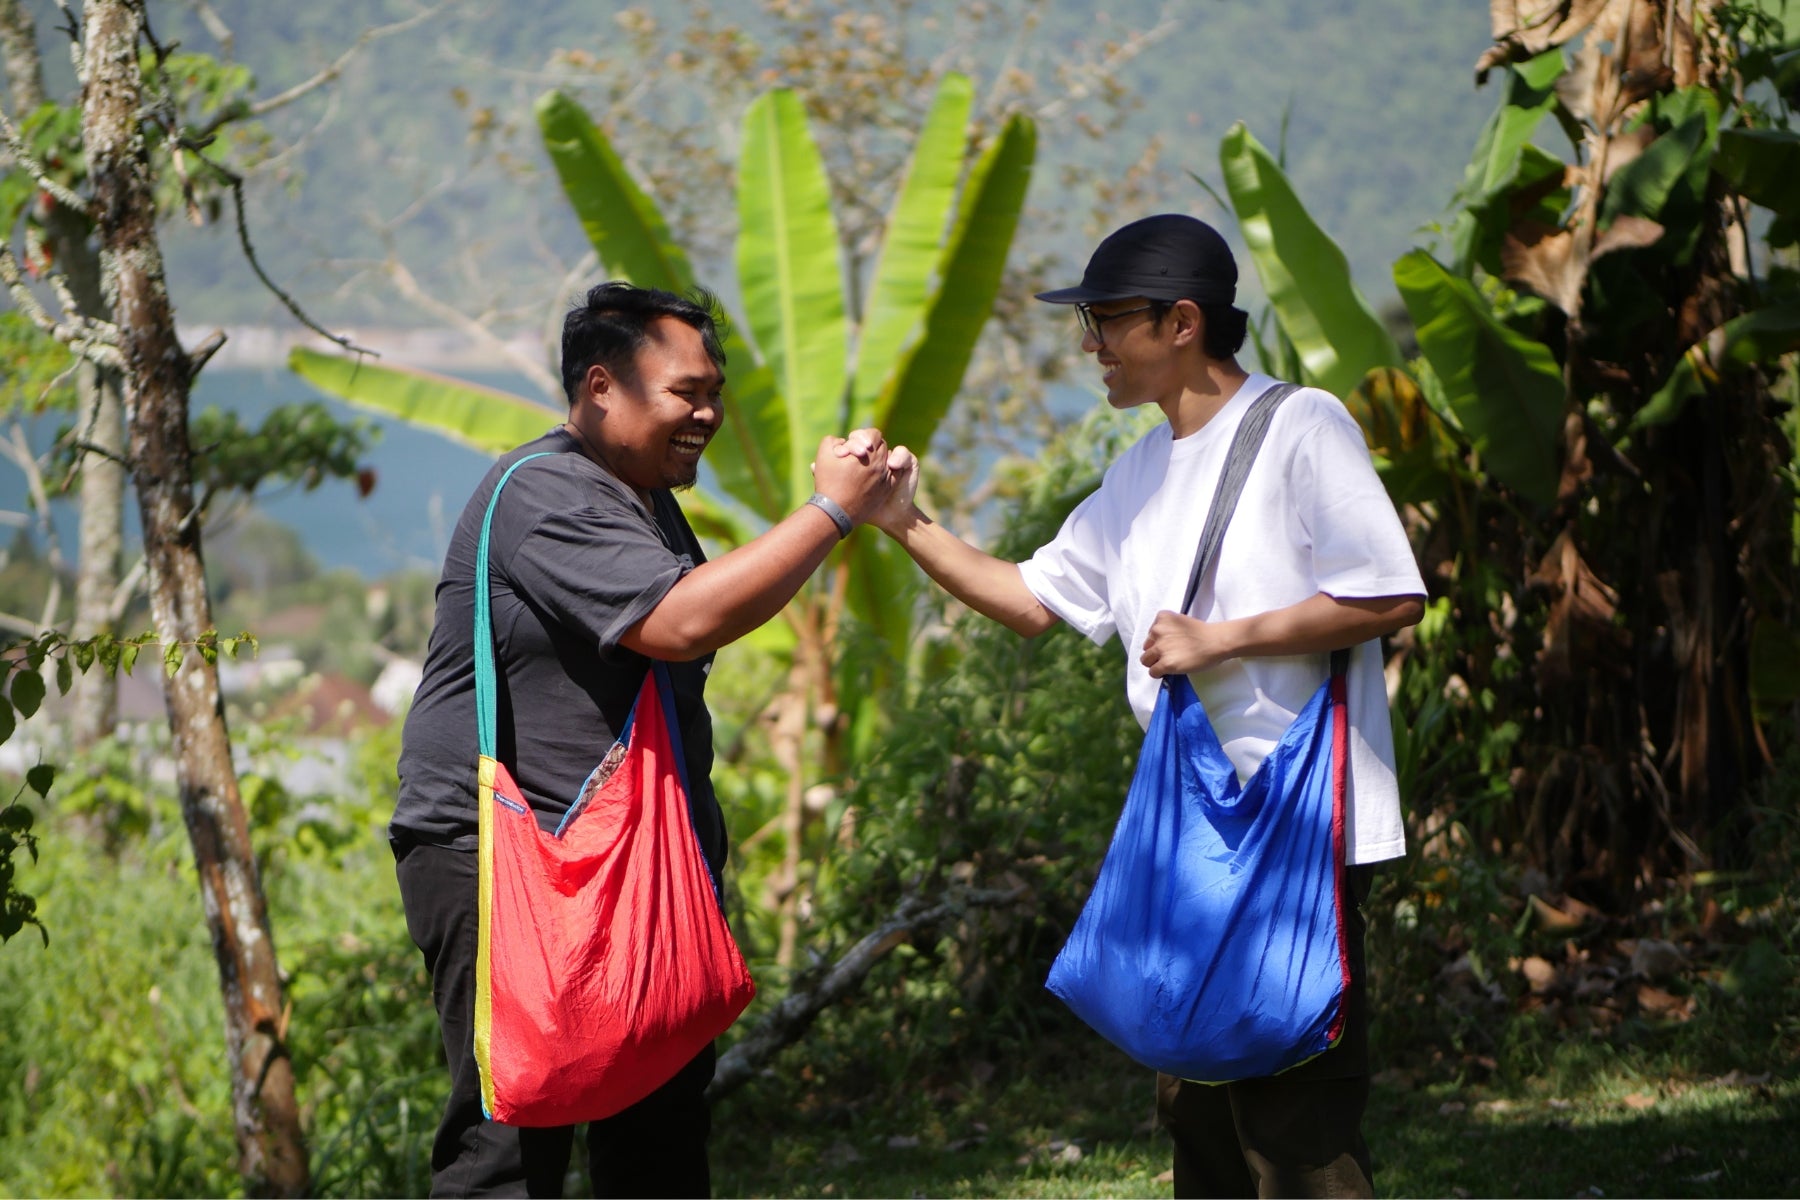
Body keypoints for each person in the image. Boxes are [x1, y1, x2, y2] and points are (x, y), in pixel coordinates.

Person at [865, 214, 1426, 1198]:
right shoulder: (1138, 473)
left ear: (1182, 322)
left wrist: (1223, 639)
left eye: (1107, 321)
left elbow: (1389, 595)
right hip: (1190, 828)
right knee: (1197, 1105)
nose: (1091, 344)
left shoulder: (1301, 426)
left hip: (1297, 822)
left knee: (1293, 1117)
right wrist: (898, 519)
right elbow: (1031, 601)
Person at [391, 282, 893, 1198]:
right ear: (600, 388)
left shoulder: (643, 495)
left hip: (635, 860)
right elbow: (680, 622)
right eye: (684, 393)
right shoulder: (544, 490)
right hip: (507, 857)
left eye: (714, 393)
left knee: (660, 1128)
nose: (707, 415)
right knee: (512, 1142)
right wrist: (830, 511)